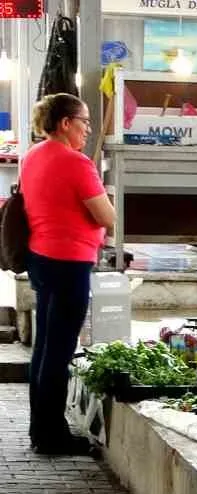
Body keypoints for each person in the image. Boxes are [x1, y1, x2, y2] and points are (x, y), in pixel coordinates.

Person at [20, 93, 116, 456]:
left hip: (41, 258)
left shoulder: (32, 156)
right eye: (84, 122)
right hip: (69, 262)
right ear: (64, 123)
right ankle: (51, 437)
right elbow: (107, 216)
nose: (88, 129)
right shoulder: (76, 163)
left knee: (44, 348)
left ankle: (39, 429)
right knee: (58, 353)